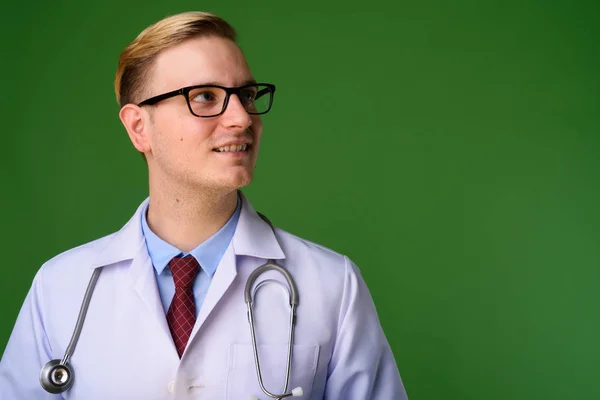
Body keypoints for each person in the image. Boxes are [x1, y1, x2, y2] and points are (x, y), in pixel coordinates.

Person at [0, 11, 409, 399]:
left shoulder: (332, 286)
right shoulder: (59, 289)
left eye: (246, 95)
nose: (242, 119)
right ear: (139, 127)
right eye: (207, 96)